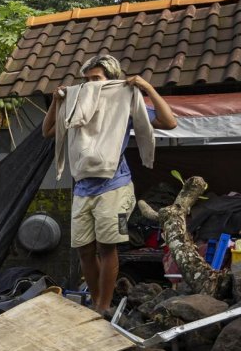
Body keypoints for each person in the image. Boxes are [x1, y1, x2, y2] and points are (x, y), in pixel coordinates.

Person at [42, 54, 177, 313]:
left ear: (112, 82)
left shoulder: (121, 103)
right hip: (83, 187)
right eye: (87, 80)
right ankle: (95, 301)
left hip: (113, 186)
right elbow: (48, 132)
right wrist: (57, 102)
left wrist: (146, 88)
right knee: (84, 250)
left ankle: (103, 306)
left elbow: (169, 122)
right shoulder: (77, 103)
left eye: (97, 79)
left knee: (106, 247)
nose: (91, 84)